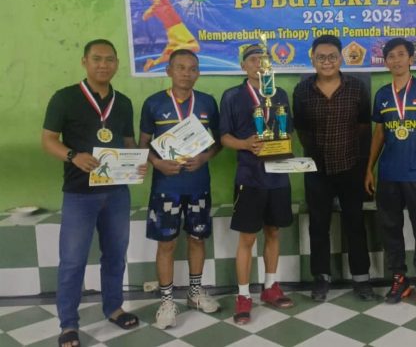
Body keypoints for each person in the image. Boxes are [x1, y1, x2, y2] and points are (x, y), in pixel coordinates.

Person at [42, 39, 146, 347]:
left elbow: (127, 144)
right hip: (79, 194)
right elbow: (48, 140)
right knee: (73, 260)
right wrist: (73, 155)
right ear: (84, 61)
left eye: (110, 60)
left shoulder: (123, 102)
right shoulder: (65, 98)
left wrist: (137, 163)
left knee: (115, 255)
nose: (104, 65)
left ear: (116, 64)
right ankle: (68, 325)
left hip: (116, 192)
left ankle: (113, 308)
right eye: (97, 59)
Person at [139, 49, 221, 329]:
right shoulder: (153, 103)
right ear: (169, 71)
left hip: (199, 185)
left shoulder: (208, 103)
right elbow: (143, 145)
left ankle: (195, 293)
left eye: (193, 68)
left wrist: (204, 158)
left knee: (198, 239)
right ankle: (166, 301)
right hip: (166, 187)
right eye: (181, 67)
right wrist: (157, 164)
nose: (187, 73)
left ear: (198, 72)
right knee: (167, 243)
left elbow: (217, 143)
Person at [293, 35, 375, 302]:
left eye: (331, 57)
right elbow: (301, 129)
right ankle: (321, 278)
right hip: (316, 170)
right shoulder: (303, 90)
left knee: (354, 223)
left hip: (350, 167)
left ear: (340, 58)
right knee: (318, 226)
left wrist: (363, 167)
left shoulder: (356, 88)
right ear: (313, 59)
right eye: (321, 57)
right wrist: (316, 156)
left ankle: (361, 279)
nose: (326, 62)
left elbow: (364, 128)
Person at [365, 37, 416, 309]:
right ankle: (398, 277)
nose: (396, 60)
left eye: (401, 55)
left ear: (411, 58)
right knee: (390, 229)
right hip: (389, 174)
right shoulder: (382, 94)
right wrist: (369, 169)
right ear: (385, 62)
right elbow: (379, 133)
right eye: (391, 56)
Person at [220, 44, 295, 325]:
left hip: (277, 176)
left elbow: (288, 131)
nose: (259, 64)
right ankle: (243, 295)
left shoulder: (281, 94)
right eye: (253, 60)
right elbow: (224, 136)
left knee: (274, 232)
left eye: (264, 60)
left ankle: (270, 287)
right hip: (249, 178)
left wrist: (284, 146)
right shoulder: (232, 96)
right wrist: (244, 144)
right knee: (247, 238)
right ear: (244, 66)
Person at [142, 0, 200, 72]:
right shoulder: (154, 6)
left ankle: (152, 63)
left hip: (172, 31)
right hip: (177, 29)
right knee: (195, 47)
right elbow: (144, 17)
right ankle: (177, 49)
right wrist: (153, 7)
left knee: (167, 55)